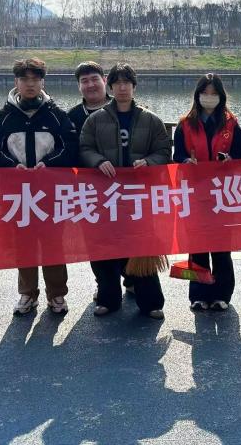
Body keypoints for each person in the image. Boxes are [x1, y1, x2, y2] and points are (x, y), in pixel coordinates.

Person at [0, 58, 78, 316]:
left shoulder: (56, 115)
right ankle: (27, 294)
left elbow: (70, 147)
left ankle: (57, 294)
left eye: (35, 79)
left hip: (50, 193)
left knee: (53, 244)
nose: (30, 84)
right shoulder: (3, 117)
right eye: (24, 79)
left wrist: (48, 163)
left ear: (42, 82)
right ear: (16, 82)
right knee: (23, 243)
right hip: (19, 195)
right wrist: (11, 166)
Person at [79, 63, 172, 319]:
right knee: (105, 250)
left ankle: (151, 303)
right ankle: (108, 300)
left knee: (142, 249)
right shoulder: (95, 119)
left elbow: (164, 151)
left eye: (127, 83)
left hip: (138, 197)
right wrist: (98, 161)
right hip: (106, 197)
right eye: (117, 83)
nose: (122, 88)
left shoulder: (151, 119)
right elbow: (85, 148)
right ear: (110, 87)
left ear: (134, 86)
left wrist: (149, 162)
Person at [173, 73, 241, 311]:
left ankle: (222, 294)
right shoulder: (185, 123)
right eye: (205, 93)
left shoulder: (231, 123)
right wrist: (186, 160)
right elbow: (177, 155)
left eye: (214, 93)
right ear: (198, 95)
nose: (209, 97)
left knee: (221, 248)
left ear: (221, 96)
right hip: (195, 194)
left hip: (223, 194)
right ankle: (198, 295)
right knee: (198, 247)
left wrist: (231, 159)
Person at [66, 61, 131, 296]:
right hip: (89, 191)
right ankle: (104, 284)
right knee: (96, 240)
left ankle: (131, 277)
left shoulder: (124, 108)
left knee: (128, 235)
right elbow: (71, 152)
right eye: (84, 81)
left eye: (95, 79)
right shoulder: (71, 117)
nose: (90, 85)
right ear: (79, 86)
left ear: (105, 81)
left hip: (125, 188)